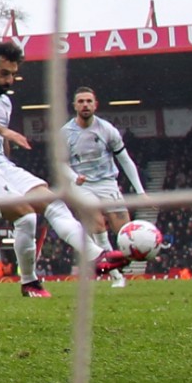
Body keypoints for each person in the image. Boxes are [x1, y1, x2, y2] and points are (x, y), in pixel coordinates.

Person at [0, 41, 129, 297]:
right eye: (4, 74)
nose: (10, 80)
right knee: (27, 215)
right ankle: (29, 282)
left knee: (51, 201)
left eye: (13, 74)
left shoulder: (4, 103)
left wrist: (5, 145)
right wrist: (3, 130)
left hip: (0, 165)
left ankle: (98, 256)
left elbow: (0, 143)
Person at [62, 86, 148, 288]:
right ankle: (116, 276)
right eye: (81, 101)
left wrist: (141, 192)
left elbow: (125, 160)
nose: (85, 105)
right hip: (82, 185)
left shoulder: (107, 130)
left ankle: (122, 262)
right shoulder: (65, 133)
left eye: (89, 101)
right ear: (74, 105)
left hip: (108, 182)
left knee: (126, 231)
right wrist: (74, 177)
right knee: (98, 223)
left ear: (95, 104)